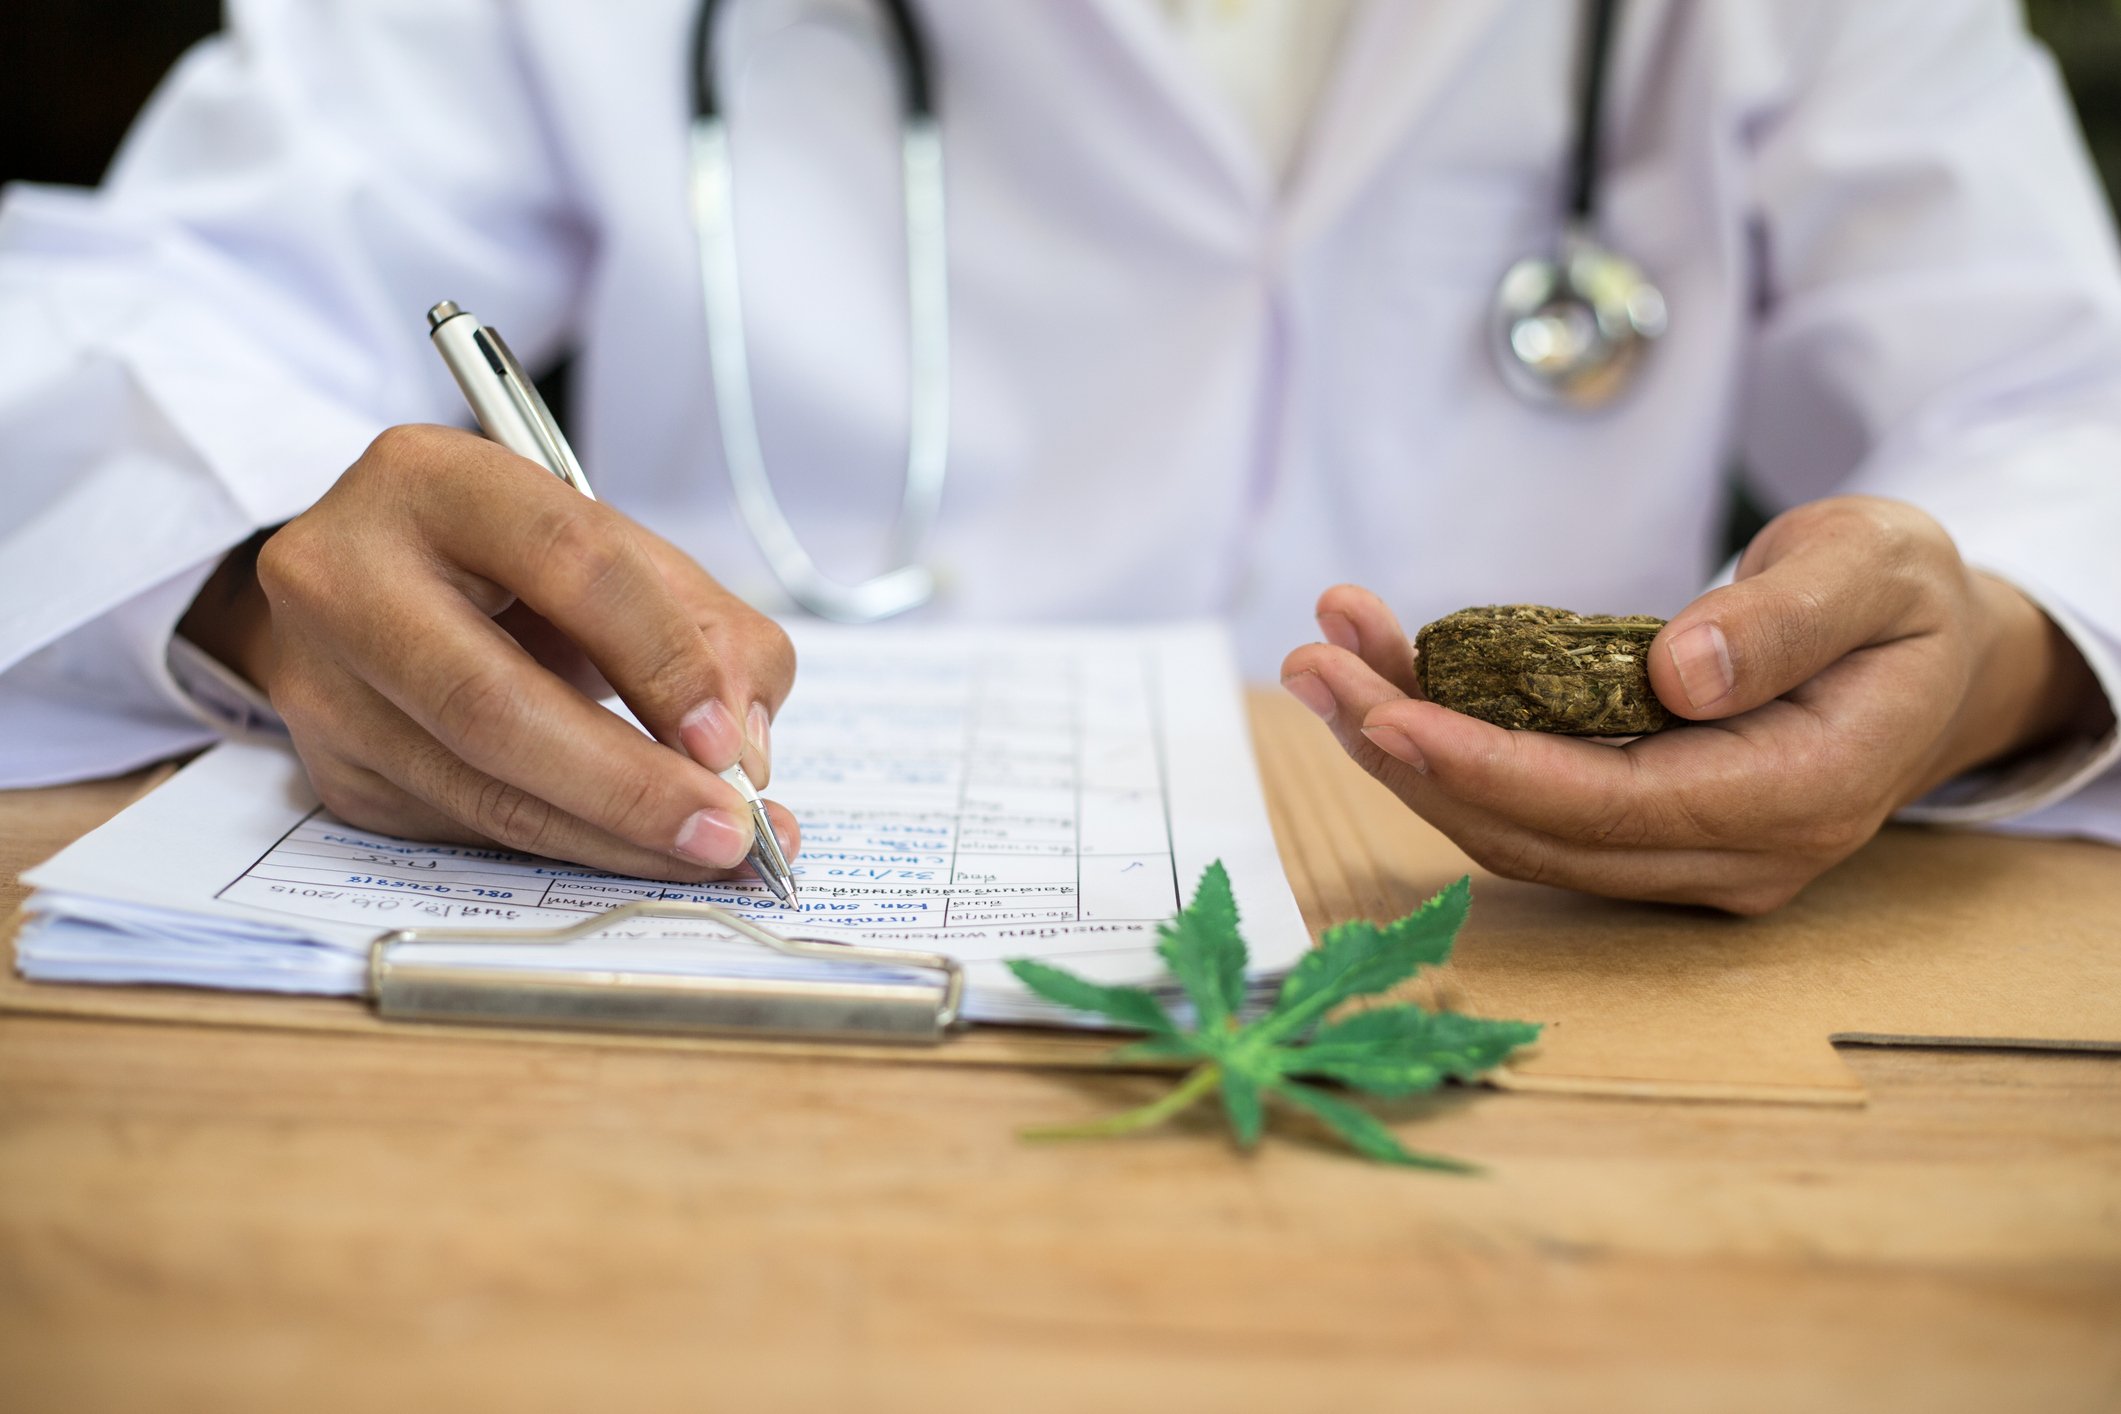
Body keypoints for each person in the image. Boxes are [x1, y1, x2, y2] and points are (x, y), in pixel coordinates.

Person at [1, 0, 2115, 914]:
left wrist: (1997, 648)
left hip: (1577, 1018)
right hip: (701, 1020)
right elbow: (118, 312)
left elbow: (2064, 406)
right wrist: (258, 555)